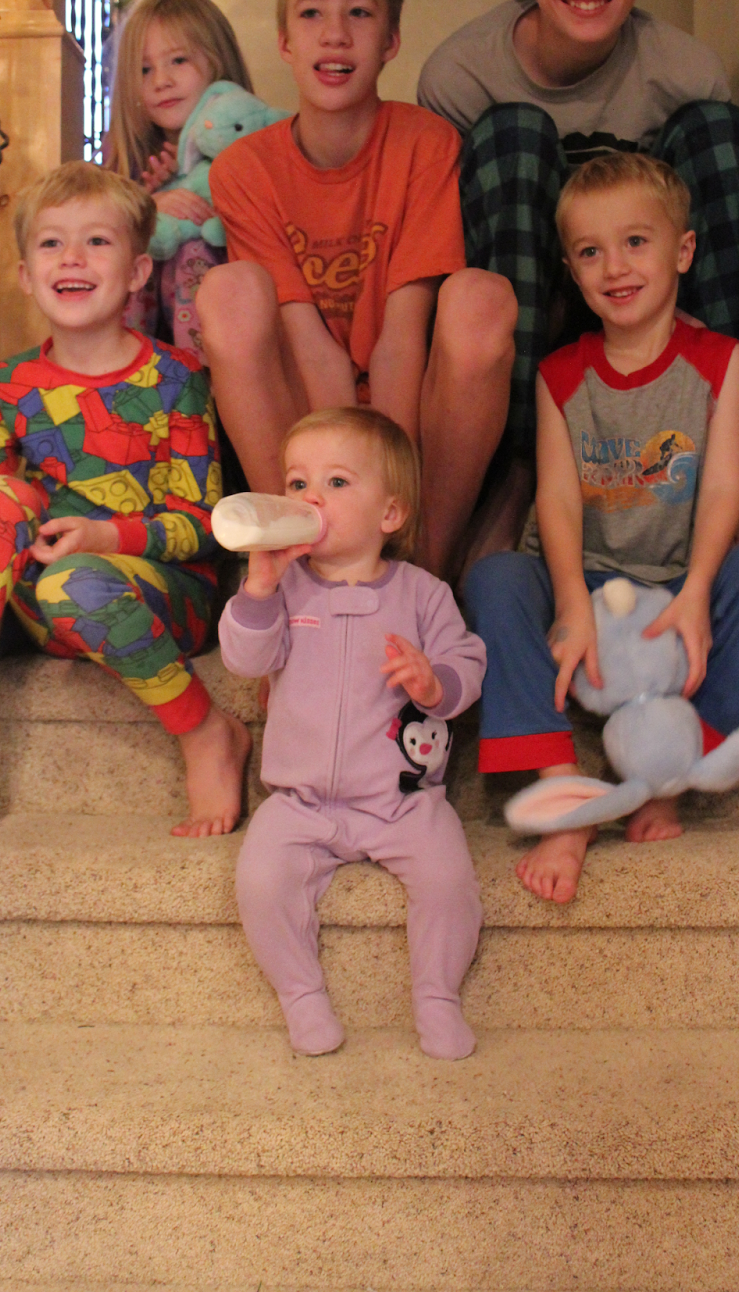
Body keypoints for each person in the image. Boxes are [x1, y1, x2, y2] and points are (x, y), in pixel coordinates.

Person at [0, 162, 250, 837]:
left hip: (160, 597)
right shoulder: (6, 385)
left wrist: (105, 537)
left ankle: (206, 729)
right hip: (44, 606)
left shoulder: (175, 378)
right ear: (27, 276)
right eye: (51, 243)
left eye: (97, 241)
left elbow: (204, 525)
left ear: (137, 272)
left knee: (74, 582)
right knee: (6, 497)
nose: (72, 257)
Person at [464, 154, 739, 904]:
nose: (614, 267)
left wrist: (698, 592)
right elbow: (557, 500)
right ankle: (567, 792)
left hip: (678, 579)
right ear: (571, 271)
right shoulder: (561, 374)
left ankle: (670, 773)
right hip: (581, 577)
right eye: (590, 252)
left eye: (635, 243)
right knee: (494, 578)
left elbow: (723, 488)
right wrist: (571, 602)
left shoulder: (720, 362)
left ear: (682, 251)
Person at [419, 0, 739, 547]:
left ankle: (720, 437)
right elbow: (447, 252)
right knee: (514, 131)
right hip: (524, 309)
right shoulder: (461, 76)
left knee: (716, 127)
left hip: (644, 305)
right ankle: (516, 470)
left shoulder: (684, 72)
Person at [197, 0, 517, 578]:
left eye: (360, 13)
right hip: (305, 423)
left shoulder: (427, 144)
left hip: (411, 426)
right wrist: (343, 515)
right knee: (227, 291)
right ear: (285, 40)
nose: (335, 33)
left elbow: (401, 339)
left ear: (391, 38)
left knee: (480, 297)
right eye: (311, 12)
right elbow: (312, 350)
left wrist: (387, 520)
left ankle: (425, 571)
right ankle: (300, 564)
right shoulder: (243, 170)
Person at [220, 407, 486, 1058]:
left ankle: (437, 996)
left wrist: (434, 684)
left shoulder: (423, 594)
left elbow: (467, 663)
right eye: (297, 483)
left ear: (389, 513)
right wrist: (258, 589)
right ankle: (301, 995)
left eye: (336, 482)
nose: (310, 497)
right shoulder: (283, 588)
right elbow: (245, 661)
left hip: (402, 801)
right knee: (260, 881)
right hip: (301, 800)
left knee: (449, 881)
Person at [106, 0, 254, 352]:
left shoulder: (251, 149)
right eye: (144, 69)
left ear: (218, 64)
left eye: (178, 61)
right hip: (145, 347)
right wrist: (145, 207)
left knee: (194, 250)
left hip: (234, 336)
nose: (161, 81)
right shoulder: (128, 168)